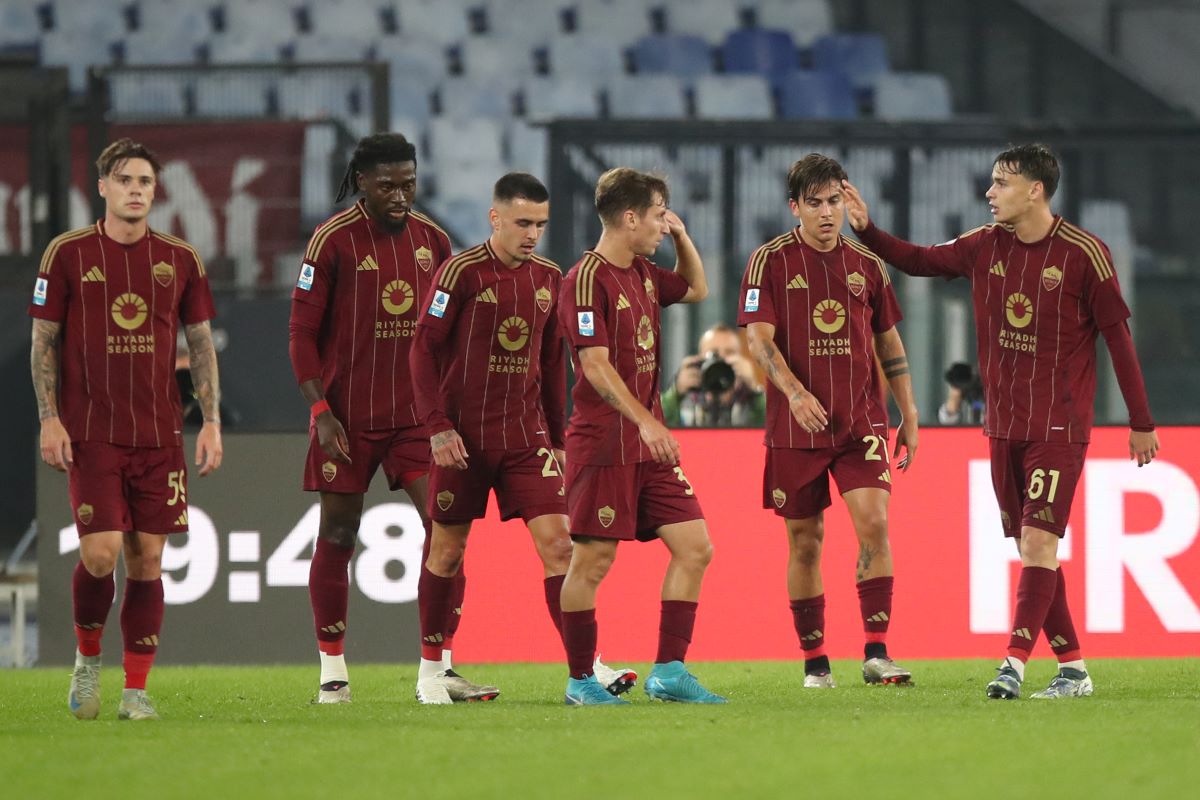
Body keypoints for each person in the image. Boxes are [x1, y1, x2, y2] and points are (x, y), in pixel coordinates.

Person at [842, 143, 1160, 699]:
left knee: (1039, 545)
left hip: (1058, 428)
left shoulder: (1086, 254)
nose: (989, 193)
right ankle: (1074, 672)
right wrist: (867, 230)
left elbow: (1118, 338)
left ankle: (1012, 665)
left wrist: (1141, 420)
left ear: (1034, 189)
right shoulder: (982, 246)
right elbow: (918, 260)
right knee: (1031, 551)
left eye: (1001, 183)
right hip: (1002, 426)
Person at [409, 173, 636, 703]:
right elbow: (422, 350)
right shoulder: (459, 272)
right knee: (447, 550)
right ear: (495, 219)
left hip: (526, 439)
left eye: (540, 224)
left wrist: (558, 437)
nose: (532, 233)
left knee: (561, 546)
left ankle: (587, 669)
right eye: (522, 223)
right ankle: (433, 674)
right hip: (462, 439)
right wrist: (437, 426)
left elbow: (554, 359)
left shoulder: (551, 277)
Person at [30, 138, 224, 720]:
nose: (136, 190)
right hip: (91, 433)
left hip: (160, 435)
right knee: (100, 554)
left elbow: (200, 343)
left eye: (144, 181)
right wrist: (48, 416)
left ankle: (135, 690)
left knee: (146, 562)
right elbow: (44, 342)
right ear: (103, 187)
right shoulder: (65, 254)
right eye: (125, 180)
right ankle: (88, 660)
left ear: (154, 190)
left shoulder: (181, 259)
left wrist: (210, 421)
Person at [289, 133, 481, 704]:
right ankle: (332, 672)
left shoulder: (434, 242)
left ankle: (438, 670)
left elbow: (455, 330)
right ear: (362, 183)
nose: (401, 195)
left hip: (416, 421)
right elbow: (300, 335)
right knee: (340, 534)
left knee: (447, 534)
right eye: (388, 185)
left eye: (409, 183)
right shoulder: (331, 241)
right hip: (347, 418)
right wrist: (320, 410)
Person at [738, 153, 918, 689]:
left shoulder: (868, 267)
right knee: (806, 542)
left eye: (834, 201)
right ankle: (816, 662)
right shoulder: (768, 261)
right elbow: (758, 339)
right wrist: (793, 394)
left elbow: (888, 339)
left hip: (861, 422)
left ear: (846, 202)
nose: (826, 213)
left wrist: (907, 410)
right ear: (795, 207)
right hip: (796, 428)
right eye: (814, 203)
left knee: (875, 526)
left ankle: (877, 652)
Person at [557, 167, 725, 705]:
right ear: (629, 218)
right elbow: (597, 366)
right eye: (657, 215)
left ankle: (670, 671)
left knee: (695, 547)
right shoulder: (585, 280)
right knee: (593, 563)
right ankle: (581, 680)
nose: (662, 224)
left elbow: (697, 288)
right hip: (606, 443)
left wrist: (680, 236)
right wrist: (648, 421)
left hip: (647, 447)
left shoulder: (645, 274)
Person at [661, 323, 765, 427]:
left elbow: (774, 425)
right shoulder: (687, 399)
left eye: (730, 353)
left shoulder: (750, 400)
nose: (721, 359)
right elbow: (656, 424)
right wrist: (676, 393)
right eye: (714, 353)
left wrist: (754, 387)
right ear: (700, 358)